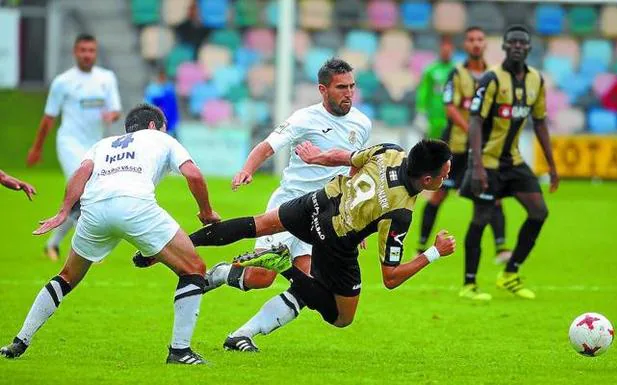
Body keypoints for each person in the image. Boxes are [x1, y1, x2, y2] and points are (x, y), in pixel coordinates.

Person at [135, 58, 371, 351]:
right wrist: (247, 169)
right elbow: (266, 146)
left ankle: (241, 335)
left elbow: (354, 170)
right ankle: (222, 272)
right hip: (289, 207)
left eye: (351, 86)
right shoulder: (304, 119)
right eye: (341, 87)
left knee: (309, 287)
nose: (348, 93)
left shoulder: (362, 123)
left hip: (324, 216)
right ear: (323, 89)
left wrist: (354, 219)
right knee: (261, 278)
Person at [180, 139, 456, 351]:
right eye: (444, 176)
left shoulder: (390, 151)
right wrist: (434, 252)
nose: (446, 179)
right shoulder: (401, 214)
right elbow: (391, 278)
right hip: (336, 240)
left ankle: (178, 244)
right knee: (340, 316)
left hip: (320, 200)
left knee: (258, 223)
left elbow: (352, 161)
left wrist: (355, 203)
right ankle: (284, 266)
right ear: (427, 180)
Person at [1, 104, 219, 364]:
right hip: (134, 205)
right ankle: (180, 351)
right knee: (194, 268)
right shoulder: (162, 138)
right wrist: (206, 212)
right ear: (153, 126)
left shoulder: (104, 143)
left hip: (94, 209)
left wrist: (63, 212)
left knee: (67, 276)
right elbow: (193, 174)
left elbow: (81, 173)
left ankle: (19, 341)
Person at [460, 25, 559, 300]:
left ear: (528, 48)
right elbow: (475, 121)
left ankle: (510, 272)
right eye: (512, 42)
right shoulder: (492, 78)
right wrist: (477, 165)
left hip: (514, 162)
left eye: (522, 43)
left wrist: (551, 165)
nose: (517, 46)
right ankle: (469, 284)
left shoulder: (536, 80)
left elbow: (539, 122)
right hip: (487, 162)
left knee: (539, 212)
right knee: (481, 218)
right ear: (504, 47)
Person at [418, 27, 511, 302]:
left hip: (484, 151)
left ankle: (501, 247)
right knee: (438, 195)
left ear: (485, 44)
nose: (476, 43)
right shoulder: (455, 74)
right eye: (471, 40)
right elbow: (450, 108)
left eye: (481, 39)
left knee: (491, 197)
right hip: (457, 149)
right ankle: (421, 244)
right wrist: (473, 132)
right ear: (465, 45)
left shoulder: (495, 76)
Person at [26, 33, 122, 262]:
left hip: (96, 147)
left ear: (95, 53)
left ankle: (53, 244)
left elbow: (116, 109)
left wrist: (112, 114)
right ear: (75, 52)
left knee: (83, 196)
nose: (87, 55)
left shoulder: (107, 78)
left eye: (91, 51)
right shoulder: (63, 82)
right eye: (83, 51)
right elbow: (48, 118)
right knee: (83, 192)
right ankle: (90, 249)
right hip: (69, 143)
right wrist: (37, 148)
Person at [415, 35, 455, 139]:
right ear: (439, 50)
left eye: (448, 50)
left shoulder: (456, 70)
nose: (446, 52)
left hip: (451, 115)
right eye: (444, 50)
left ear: (452, 51)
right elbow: (424, 90)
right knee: (432, 144)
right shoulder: (431, 70)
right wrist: (421, 111)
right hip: (433, 114)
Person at [145, 68, 180, 137]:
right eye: (160, 77)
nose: (162, 79)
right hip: (156, 117)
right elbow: (148, 103)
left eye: (163, 77)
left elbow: (173, 105)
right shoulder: (152, 89)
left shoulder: (169, 88)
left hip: (169, 119)